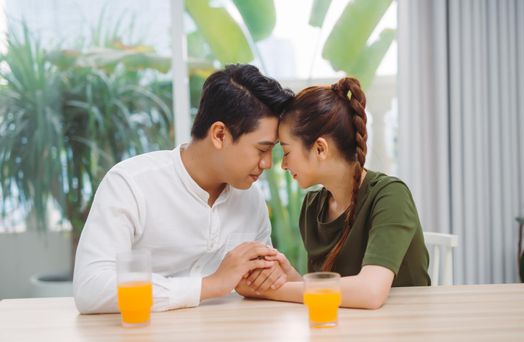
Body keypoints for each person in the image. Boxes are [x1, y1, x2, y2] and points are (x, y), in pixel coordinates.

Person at [73, 64, 294, 313]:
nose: (267, 163)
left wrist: (266, 277)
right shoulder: (130, 184)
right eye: (261, 149)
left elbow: (260, 281)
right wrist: (209, 285)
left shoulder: (250, 198)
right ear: (220, 135)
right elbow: (90, 288)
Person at [236, 77, 430, 309]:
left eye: (286, 152)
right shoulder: (312, 208)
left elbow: (369, 293)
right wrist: (290, 275)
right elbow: (331, 294)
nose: (284, 165)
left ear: (320, 148)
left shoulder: (390, 197)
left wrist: (271, 291)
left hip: (404, 332)